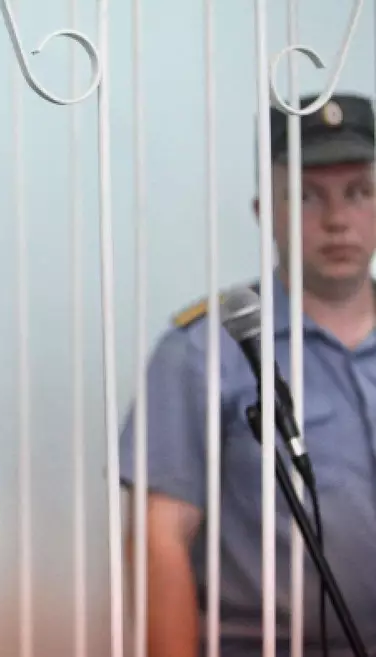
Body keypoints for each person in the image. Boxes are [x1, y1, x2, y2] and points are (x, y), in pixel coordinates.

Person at [120, 91, 376, 657]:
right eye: (305, 195)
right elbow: (161, 539)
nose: (337, 220)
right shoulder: (206, 349)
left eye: (359, 192)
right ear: (266, 212)